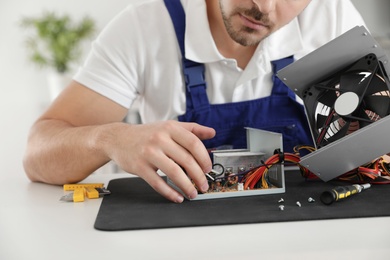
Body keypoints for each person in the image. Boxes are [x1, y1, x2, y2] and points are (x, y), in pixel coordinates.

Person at [23, 0, 366, 203]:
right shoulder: (143, 27)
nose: (263, 6)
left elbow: (374, 139)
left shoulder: (332, 17)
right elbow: (38, 156)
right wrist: (110, 138)